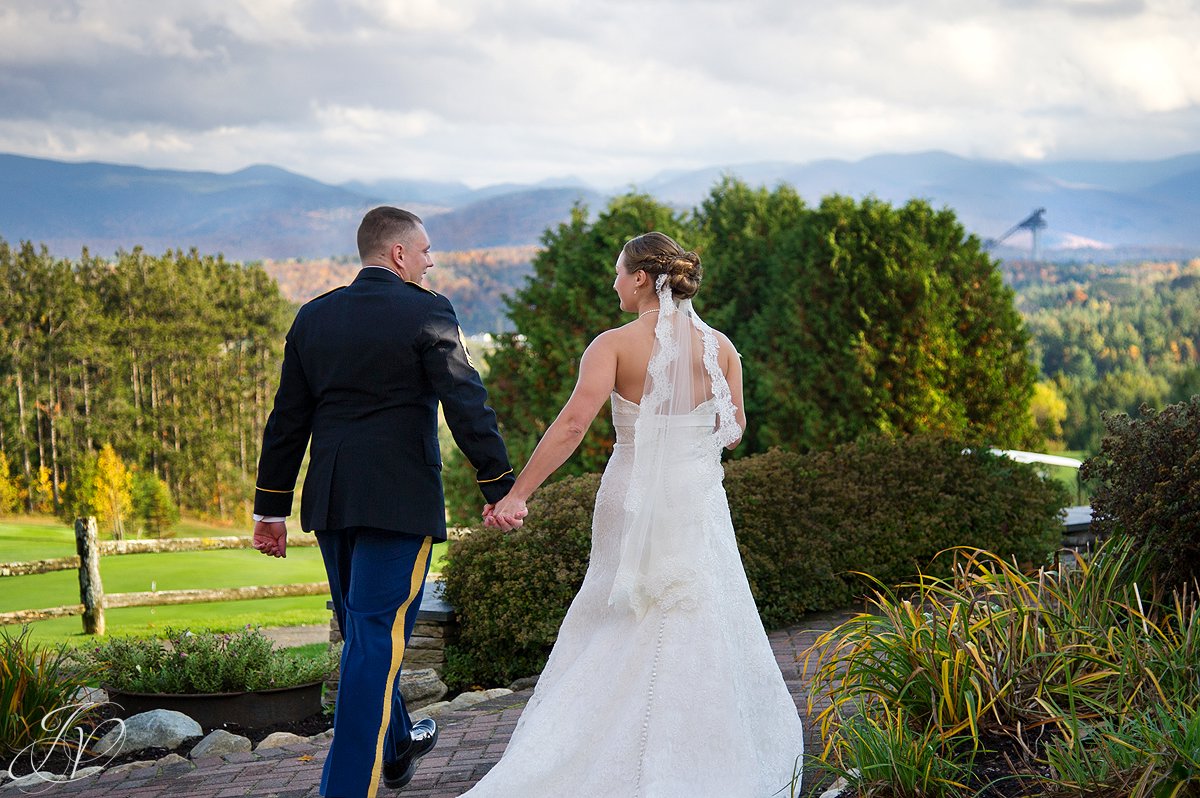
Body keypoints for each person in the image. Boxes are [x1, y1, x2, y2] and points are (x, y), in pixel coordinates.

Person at [470, 232, 804, 796]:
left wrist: (517, 494)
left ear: (643, 278)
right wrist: (689, 443)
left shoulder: (613, 345)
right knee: (696, 615)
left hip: (631, 493)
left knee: (623, 614)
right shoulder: (720, 347)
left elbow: (574, 425)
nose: (614, 282)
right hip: (698, 500)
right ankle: (703, 757)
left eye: (619, 272)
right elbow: (736, 430)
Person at [251, 206, 521, 798]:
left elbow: (286, 420)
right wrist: (500, 483)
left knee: (364, 634)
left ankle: (396, 745)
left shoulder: (313, 317)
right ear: (399, 254)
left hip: (332, 500)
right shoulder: (429, 311)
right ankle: (346, 788)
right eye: (425, 252)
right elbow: (466, 401)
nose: (431, 262)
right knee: (374, 633)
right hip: (400, 502)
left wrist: (268, 508)